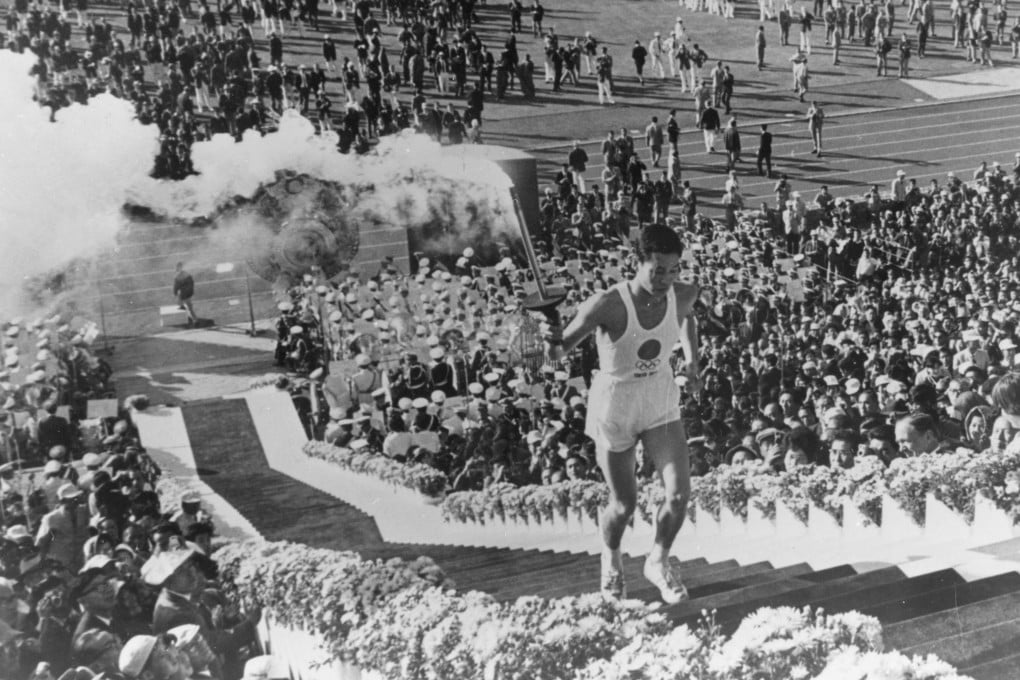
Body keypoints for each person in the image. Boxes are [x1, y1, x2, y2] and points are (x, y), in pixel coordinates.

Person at [542, 224, 701, 603]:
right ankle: (611, 560)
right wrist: (550, 335)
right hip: (615, 403)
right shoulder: (608, 304)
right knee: (624, 504)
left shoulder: (684, 292)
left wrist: (693, 361)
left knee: (679, 496)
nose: (665, 279)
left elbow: (688, 316)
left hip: (659, 397)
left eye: (673, 269)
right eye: (657, 269)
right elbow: (557, 354)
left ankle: (658, 560)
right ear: (638, 262)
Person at [172, 262, 198, 327]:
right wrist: (191, 291)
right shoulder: (187, 274)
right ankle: (184, 308)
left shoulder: (177, 277)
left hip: (184, 294)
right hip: (188, 293)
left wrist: (175, 293)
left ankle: (194, 320)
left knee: (189, 307)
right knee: (183, 303)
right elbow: (192, 283)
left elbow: (176, 287)